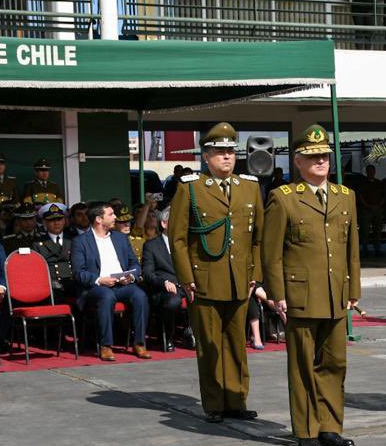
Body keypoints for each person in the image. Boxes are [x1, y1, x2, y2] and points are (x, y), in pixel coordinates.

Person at [263, 124, 361, 446]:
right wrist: (277, 295)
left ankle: (330, 426)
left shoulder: (345, 197)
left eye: (324, 156)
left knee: (335, 364)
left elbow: (352, 248)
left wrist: (353, 288)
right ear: (298, 162)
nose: (321, 161)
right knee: (303, 364)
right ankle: (306, 429)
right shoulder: (284, 198)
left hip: (336, 293)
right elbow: (271, 252)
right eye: (313, 156)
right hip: (300, 295)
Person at [168, 122, 264, 422]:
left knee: (237, 343)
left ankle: (236, 400)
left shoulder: (249, 186)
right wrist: (186, 278)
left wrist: (255, 274)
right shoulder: (191, 188)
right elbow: (178, 238)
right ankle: (214, 403)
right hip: (205, 279)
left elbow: (259, 237)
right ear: (206, 157)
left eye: (230, 152)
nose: (227, 158)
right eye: (219, 152)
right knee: (210, 345)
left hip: (239, 279)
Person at [71, 202, 152, 361]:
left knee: (140, 295)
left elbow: (134, 264)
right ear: (98, 219)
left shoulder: (120, 238)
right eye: (111, 214)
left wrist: (131, 275)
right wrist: (100, 279)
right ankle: (106, 346)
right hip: (96, 286)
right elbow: (78, 272)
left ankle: (139, 343)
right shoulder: (80, 241)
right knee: (107, 296)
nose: (115, 217)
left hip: (122, 284)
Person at [141, 206, 185, 353]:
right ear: (164, 223)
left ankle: (191, 333)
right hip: (165, 287)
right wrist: (163, 282)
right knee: (173, 301)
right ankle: (168, 337)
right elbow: (148, 273)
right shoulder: (151, 245)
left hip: (186, 285)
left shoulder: (186, 244)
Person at [32, 203, 76, 300]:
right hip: (51, 285)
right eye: (51, 220)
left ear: (64, 221)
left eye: (59, 219)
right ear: (44, 222)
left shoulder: (73, 240)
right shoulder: (38, 243)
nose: (56, 223)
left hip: (72, 283)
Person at [357, 164, 384, 256]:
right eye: (369, 171)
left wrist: (378, 205)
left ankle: (377, 249)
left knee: (378, 230)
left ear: (375, 172)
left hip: (378, 210)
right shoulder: (362, 183)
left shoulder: (379, 183)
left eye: (373, 171)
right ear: (366, 172)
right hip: (366, 210)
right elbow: (360, 196)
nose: (371, 173)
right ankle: (365, 249)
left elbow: (384, 196)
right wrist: (367, 206)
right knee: (365, 231)